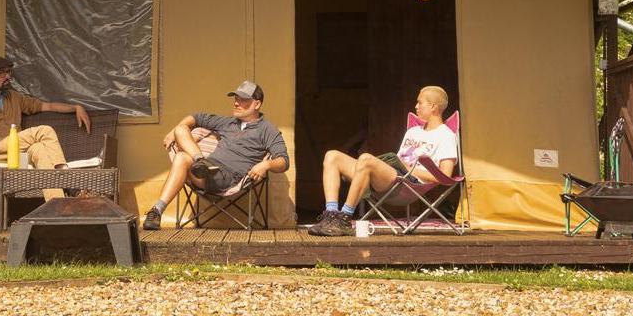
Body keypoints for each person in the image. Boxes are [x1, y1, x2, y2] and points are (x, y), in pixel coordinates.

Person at [307, 85, 458, 236]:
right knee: (332, 156)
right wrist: (400, 164)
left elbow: (444, 177)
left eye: (420, 102)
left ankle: (344, 218)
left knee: (366, 159)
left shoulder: (445, 136)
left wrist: (409, 168)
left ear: (433, 107)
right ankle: (331, 215)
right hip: (391, 176)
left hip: (409, 184)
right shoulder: (413, 131)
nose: (416, 106)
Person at [142, 79, 289, 231]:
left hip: (227, 178)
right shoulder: (229, 123)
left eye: (243, 100)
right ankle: (157, 210)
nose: (236, 103)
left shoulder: (267, 129)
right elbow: (196, 117)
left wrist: (266, 164)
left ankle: (158, 209)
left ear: (256, 104)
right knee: (180, 130)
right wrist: (173, 131)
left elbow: (283, 161)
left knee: (181, 157)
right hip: (206, 168)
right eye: (236, 99)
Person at [0, 54, 91, 202]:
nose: (8, 76)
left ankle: (57, 204)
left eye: (8, 72)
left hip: (16, 153)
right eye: (2, 73)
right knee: (44, 131)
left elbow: (47, 106)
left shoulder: (14, 97)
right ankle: (69, 183)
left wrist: (76, 107)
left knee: (40, 149)